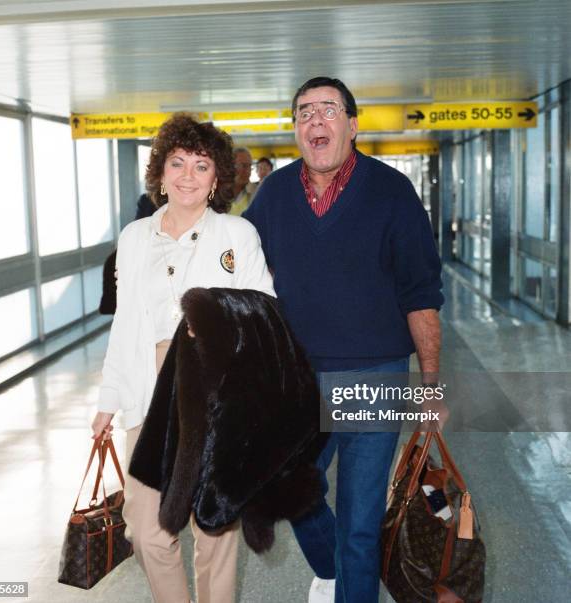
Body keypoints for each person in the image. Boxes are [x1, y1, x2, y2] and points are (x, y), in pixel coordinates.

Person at [244, 77, 444, 603]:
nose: (316, 119)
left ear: (352, 126)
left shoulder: (391, 192)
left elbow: (421, 294)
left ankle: (351, 582)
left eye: (328, 109)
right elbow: (237, 262)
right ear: (295, 129)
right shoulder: (275, 193)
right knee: (289, 487)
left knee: (360, 521)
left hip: (372, 376)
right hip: (298, 379)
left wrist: (430, 384)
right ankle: (336, 570)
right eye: (304, 111)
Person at [91, 113, 274, 603]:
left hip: (215, 391)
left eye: (200, 165)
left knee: (214, 529)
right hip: (148, 394)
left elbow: (265, 312)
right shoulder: (133, 240)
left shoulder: (237, 235)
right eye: (178, 163)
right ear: (161, 170)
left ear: (217, 178)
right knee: (148, 530)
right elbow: (124, 322)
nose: (188, 175)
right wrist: (109, 398)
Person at [229, 147, 257, 216]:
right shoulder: (217, 194)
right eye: (244, 166)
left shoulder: (256, 193)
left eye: (250, 166)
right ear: (230, 167)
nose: (248, 172)